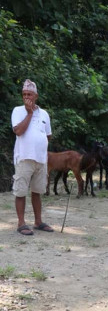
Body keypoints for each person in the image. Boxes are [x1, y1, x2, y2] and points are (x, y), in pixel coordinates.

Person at [11, 79, 54, 235]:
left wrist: (39, 144)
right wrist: (29, 114)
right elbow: (19, 131)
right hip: (24, 157)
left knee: (37, 191)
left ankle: (38, 221)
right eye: (24, 94)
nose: (26, 97)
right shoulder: (18, 111)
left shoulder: (44, 114)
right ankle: (21, 223)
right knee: (21, 191)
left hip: (41, 159)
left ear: (36, 96)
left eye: (29, 94)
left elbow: (48, 136)